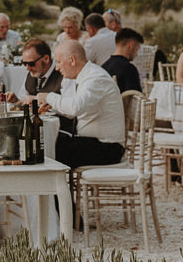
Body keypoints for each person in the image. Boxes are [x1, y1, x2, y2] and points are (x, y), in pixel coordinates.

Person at [40, 39, 126, 168]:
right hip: (95, 143)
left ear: (72, 60)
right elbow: (77, 108)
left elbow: (76, 108)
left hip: (108, 148)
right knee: (46, 142)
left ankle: (54, 187)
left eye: (58, 62)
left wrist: (49, 97)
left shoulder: (95, 78)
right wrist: (52, 105)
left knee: (46, 149)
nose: (56, 68)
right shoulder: (88, 75)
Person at [11, 36, 61, 101]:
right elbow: (23, 97)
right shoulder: (33, 72)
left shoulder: (62, 73)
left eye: (31, 63)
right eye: (25, 63)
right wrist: (16, 100)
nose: (28, 68)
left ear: (46, 59)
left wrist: (36, 99)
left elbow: (67, 106)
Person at [101, 27, 145, 95]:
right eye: (137, 48)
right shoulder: (129, 69)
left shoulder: (103, 67)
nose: (137, 54)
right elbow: (137, 98)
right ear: (131, 45)